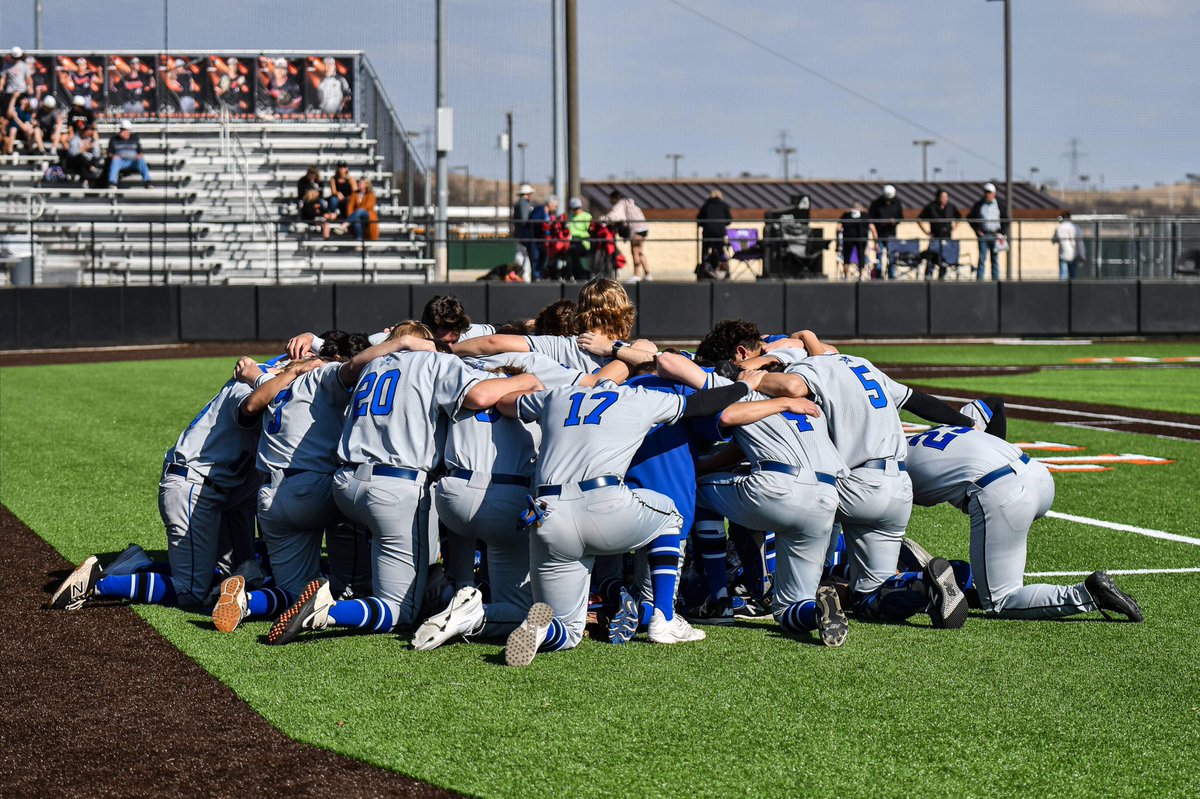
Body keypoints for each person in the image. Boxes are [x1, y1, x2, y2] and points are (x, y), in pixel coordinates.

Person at [267, 326, 543, 645]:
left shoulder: (372, 363)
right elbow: (478, 397)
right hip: (396, 485)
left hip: (345, 481)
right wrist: (523, 380)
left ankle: (361, 589)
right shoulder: (435, 361)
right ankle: (330, 611)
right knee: (399, 610)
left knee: (367, 557)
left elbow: (355, 364)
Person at [496, 373, 755, 665]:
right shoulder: (635, 397)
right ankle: (664, 618)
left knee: (568, 630)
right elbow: (700, 404)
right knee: (671, 513)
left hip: (548, 513)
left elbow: (506, 404)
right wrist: (745, 386)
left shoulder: (558, 395)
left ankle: (545, 630)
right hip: (603, 503)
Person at [49, 357, 274, 613]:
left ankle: (138, 567)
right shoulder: (250, 382)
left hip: (217, 491)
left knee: (228, 579)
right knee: (191, 591)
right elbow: (252, 406)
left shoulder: (269, 377)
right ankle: (96, 585)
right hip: (194, 486)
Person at [904, 418, 1142, 622]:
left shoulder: (893, 461)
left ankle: (1088, 594)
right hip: (1039, 476)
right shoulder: (941, 430)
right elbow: (994, 406)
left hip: (1003, 494)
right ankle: (978, 581)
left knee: (1000, 602)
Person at [600, 189, 651, 281]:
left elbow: (615, 216)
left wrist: (603, 219)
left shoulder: (620, 205)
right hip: (643, 228)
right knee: (640, 252)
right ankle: (648, 274)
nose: (609, 201)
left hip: (636, 230)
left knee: (635, 252)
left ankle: (636, 275)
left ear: (614, 198)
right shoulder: (629, 203)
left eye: (610, 199)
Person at [917, 189, 960, 280]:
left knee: (945, 259)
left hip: (947, 238)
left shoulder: (951, 207)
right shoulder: (931, 207)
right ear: (938, 197)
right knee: (931, 258)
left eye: (946, 197)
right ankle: (928, 276)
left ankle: (942, 277)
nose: (945, 198)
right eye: (943, 197)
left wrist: (954, 227)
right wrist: (926, 232)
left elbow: (959, 217)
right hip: (935, 238)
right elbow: (919, 219)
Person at [968, 183, 1008, 281]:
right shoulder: (979, 204)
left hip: (995, 235)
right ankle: (980, 281)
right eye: (986, 192)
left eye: (989, 192)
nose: (987, 194)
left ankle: (995, 280)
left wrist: (1002, 232)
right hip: (984, 235)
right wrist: (977, 230)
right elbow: (970, 217)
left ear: (994, 193)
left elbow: (1006, 219)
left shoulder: (999, 204)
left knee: (994, 259)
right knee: (982, 258)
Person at [420, 295, 496, 344]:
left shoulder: (467, 333)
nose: (450, 347)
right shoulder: (418, 339)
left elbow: (500, 330)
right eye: (444, 343)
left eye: (455, 341)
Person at [868, 184, 904, 279]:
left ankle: (892, 276)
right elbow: (871, 220)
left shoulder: (897, 203)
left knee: (892, 256)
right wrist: (881, 223)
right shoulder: (876, 204)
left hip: (891, 234)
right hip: (879, 235)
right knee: (879, 256)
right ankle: (878, 275)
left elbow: (900, 217)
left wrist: (894, 221)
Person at [528, 194, 568, 281]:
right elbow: (535, 221)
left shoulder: (550, 214)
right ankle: (536, 277)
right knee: (536, 258)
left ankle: (540, 276)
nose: (556, 208)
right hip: (536, 239)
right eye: (555, 205)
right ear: (549, 203)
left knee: (542, 259)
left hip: (544, 241)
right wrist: (547, 224)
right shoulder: (539, 210)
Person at [696, 189, 733, 279]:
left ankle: (704, 266)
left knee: (705, 250)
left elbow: (699, 219)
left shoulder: (706, 205)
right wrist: (721, 224)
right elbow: (729, 220)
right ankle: (722, 266)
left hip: (708, 232)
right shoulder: (724, 205)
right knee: (721, 250)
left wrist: (705, 225)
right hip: (720, 233)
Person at [106, 120, 152, 188]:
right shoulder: (114, 139)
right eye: (121, 129)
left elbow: (141, 152)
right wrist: (114, 156)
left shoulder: (135, 138)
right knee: (115, 161)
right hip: (121, 161)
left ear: (129, 131)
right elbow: (109, 153)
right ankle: (112, 183)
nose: (122, 131)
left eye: (124, 129)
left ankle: (147, 182)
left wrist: (139, 155)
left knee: (141, 160)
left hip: (133, 161)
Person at [838, 203, 871, 280]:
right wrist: (876, 241)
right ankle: (861, 276)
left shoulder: (847, 215)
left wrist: (837, 241)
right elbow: (872, 227)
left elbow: (838, 227)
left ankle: (846, 276)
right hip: (860, 238)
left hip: (850, 238)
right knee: (861, 256)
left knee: (847, 257)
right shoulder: (864, 215)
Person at [565, 197, 593, 281]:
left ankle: (579, 275)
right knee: (567, 251)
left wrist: (575, 234)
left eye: (578, 208)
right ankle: (572, 274)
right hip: (571, 243)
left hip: (583, 243)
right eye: (574, 208)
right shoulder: (570, 217)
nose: (576, 210)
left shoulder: (587, 216)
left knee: (572, 250)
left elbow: (590, 232)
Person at [512, 183, 535, 281]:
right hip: (524, 234)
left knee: (521, 255)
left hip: (520, 234)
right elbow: (524, 219)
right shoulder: (523, 203)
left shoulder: (520, 203)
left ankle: (517, 274)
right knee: (525, 255)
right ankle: (523, 275)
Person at [1052, 211, 1084, 280]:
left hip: (1063, 254)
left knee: (1063, 275)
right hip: (1074, 254)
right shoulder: (1076, 227)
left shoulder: (1059, 228)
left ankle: (1063, 287)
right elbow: (1080, 243)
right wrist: (1082, 256)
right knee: (1073, 275)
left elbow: (1054, 240)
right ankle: (1072, 287)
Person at [2, 47, 33, 115]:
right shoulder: (7, 66)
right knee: (8, 113)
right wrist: (1, 85)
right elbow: (3, 78)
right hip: (10, 91)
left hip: (22, 92)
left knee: (22, 111)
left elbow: (28, 78)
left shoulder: (24, 65)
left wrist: (30, 87)